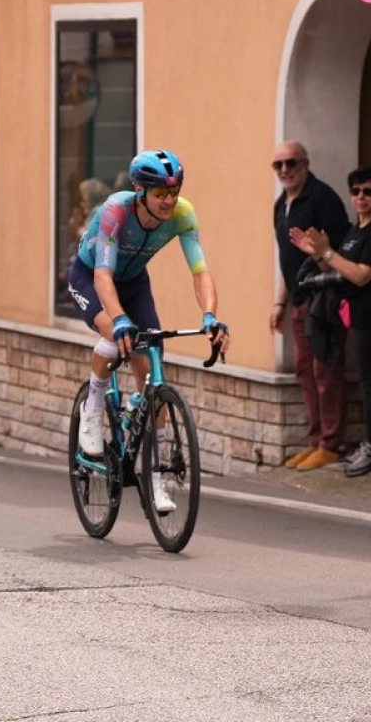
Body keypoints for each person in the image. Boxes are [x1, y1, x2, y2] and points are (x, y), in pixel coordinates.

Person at [67, 149, 231, 514]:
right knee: (115, 333)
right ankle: (92, 410)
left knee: (151, 368)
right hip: (91, 277)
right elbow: (102, 275)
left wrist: (210, 316)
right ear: (140, 191)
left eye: (174, 192)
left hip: (135, 283)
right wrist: (120, 319)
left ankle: (156, 479)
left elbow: (200, 271)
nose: (169, 201)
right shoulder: (116, 210)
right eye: (161, 194)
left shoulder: (183, 215)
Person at [289, 165, 371, 477]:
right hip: (359, 314)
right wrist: (317, 253)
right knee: (366, 378)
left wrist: (327, 253)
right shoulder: (358, 229)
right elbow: (342, 266)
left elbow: (360, 275)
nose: (361, 197)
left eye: (368, 191)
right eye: (355, 192)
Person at [270, 142, 352, 471]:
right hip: (300, 301)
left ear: (305, 164)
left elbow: (343, 247)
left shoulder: (322, 198)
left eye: (291, 163)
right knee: (305, 370)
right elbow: (286, 259)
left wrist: (320, 253)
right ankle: (315, 440)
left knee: (326, 370)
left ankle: (331, 443)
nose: (285, 170)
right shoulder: (281, 205)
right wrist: (279, 302)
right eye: (278, 165)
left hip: (326, 299)